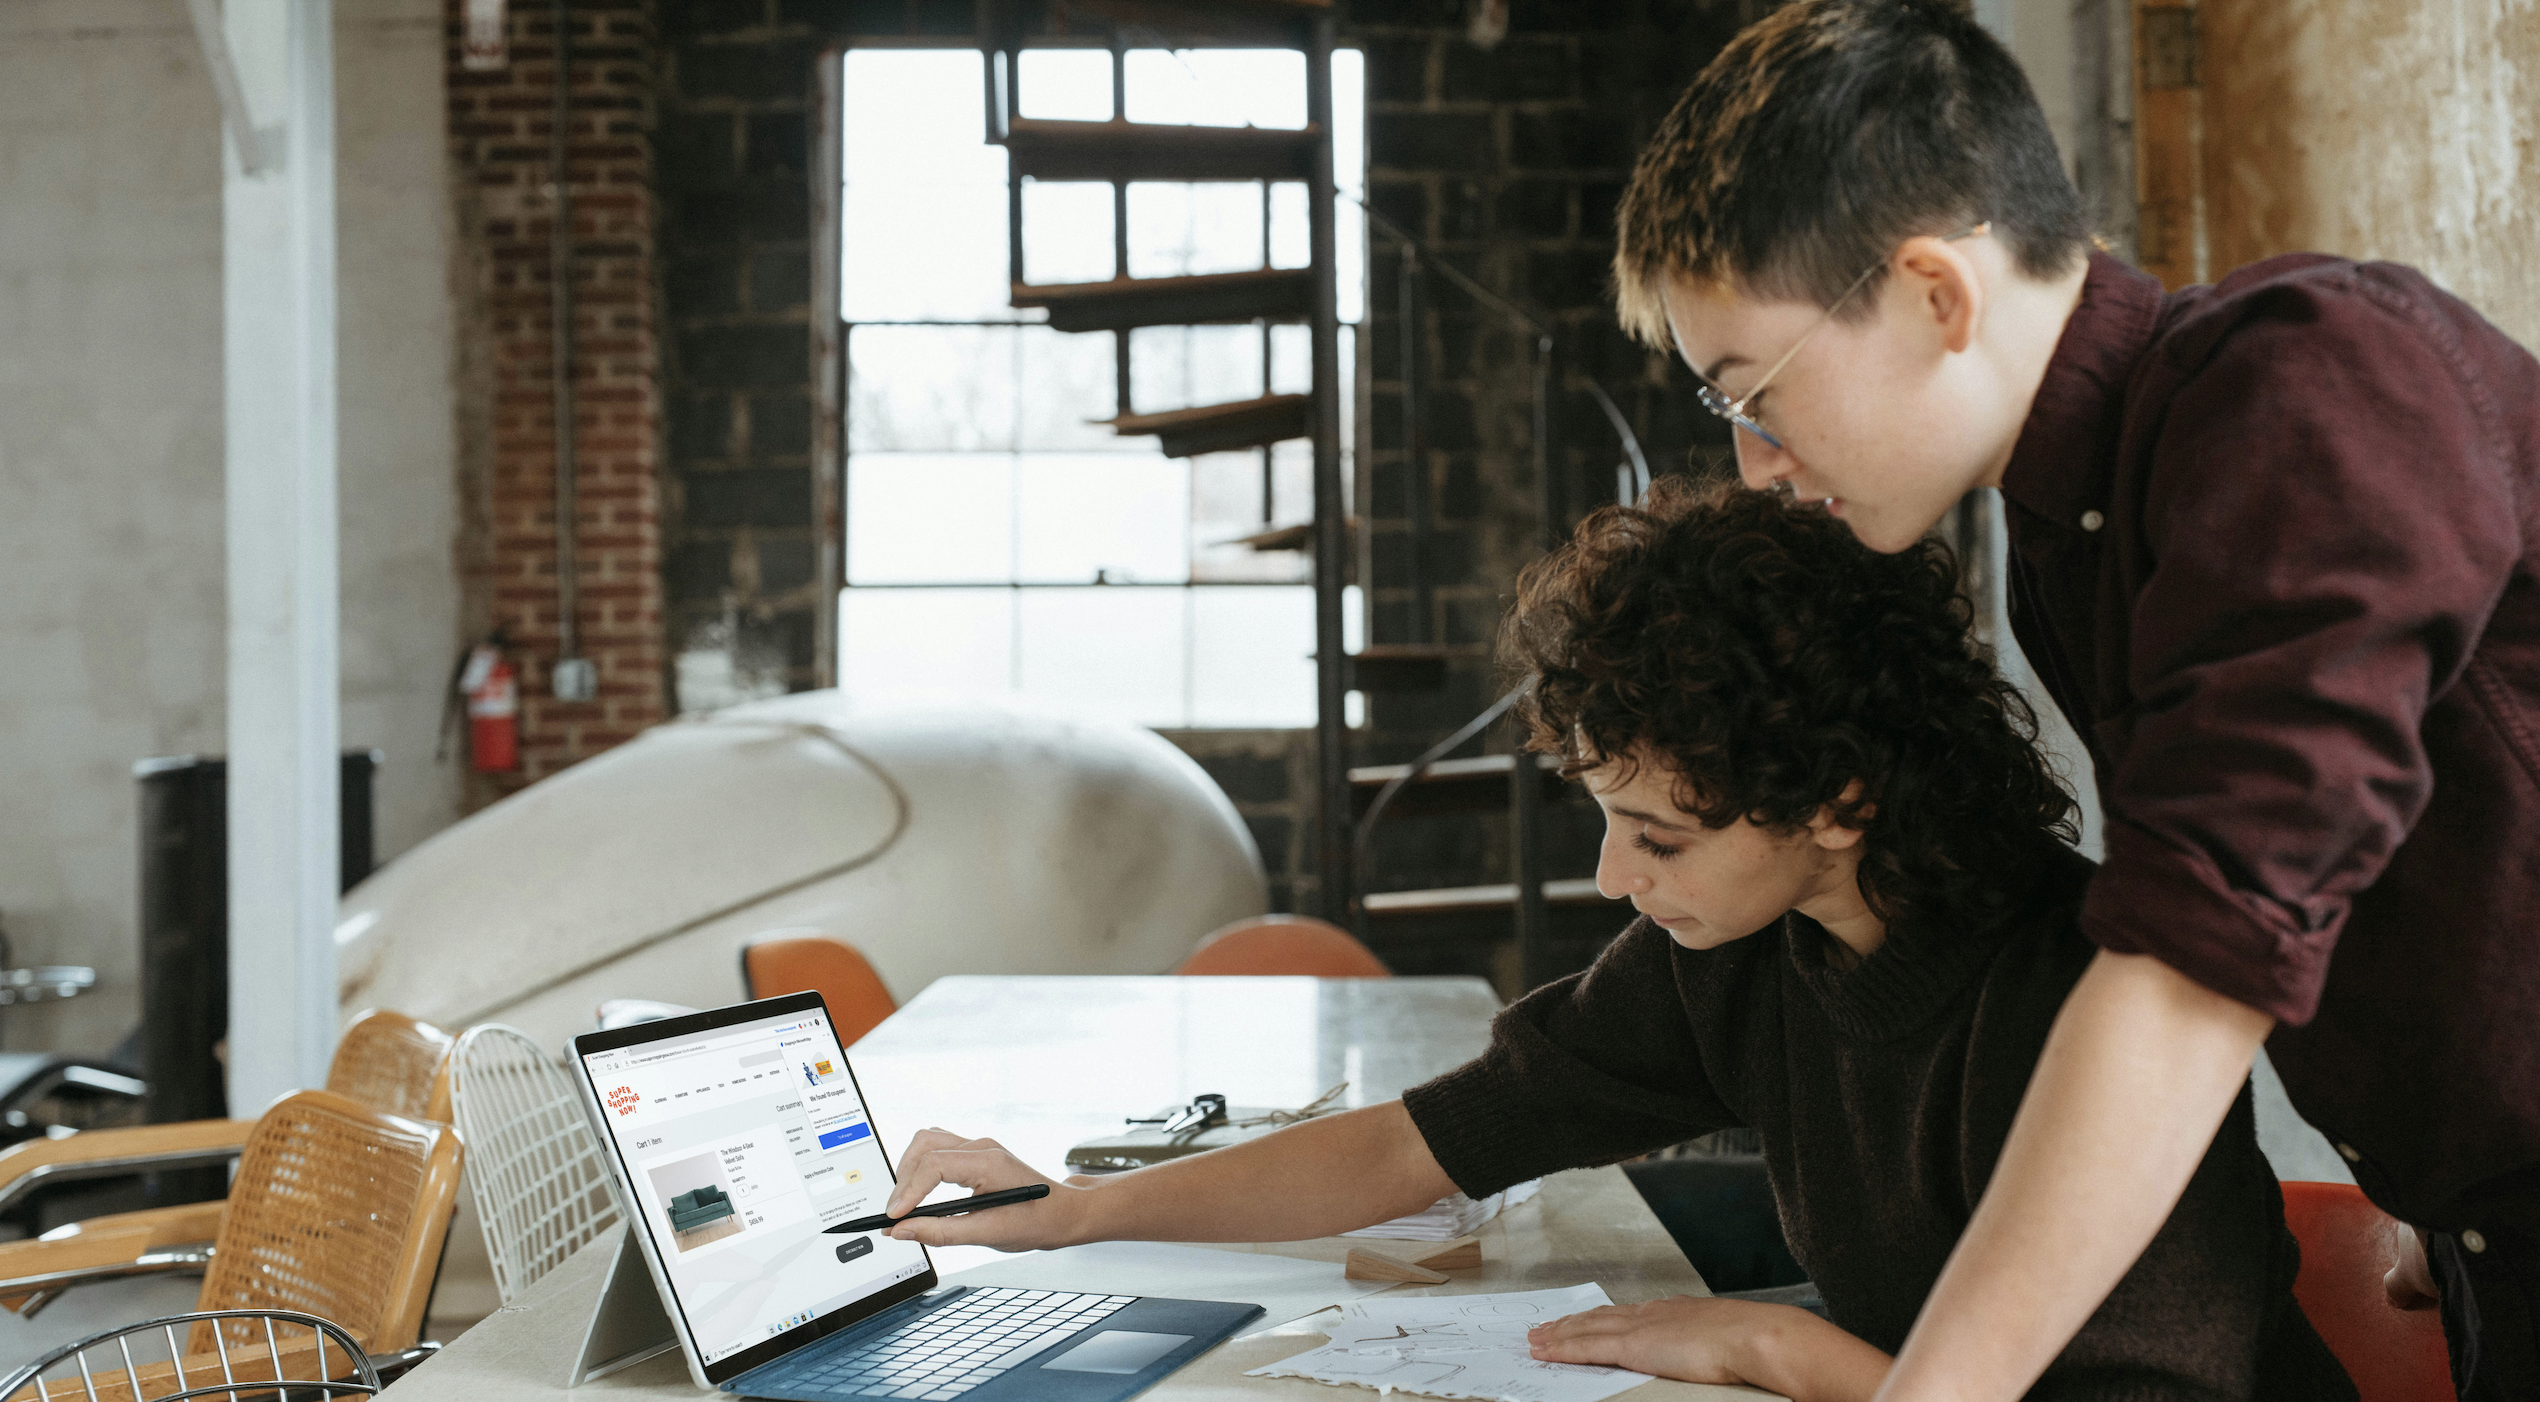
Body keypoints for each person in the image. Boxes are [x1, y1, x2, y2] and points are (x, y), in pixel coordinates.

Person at [880, 481, 2353, 1401]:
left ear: (1836, 799)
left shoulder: (2070, 996)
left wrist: (1778, 1346)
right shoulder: (1743, 948)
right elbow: (1421, 1144)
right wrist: (1070, 1210)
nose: (1609, 876)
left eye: (1658, 833)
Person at [1606, 2, 2540, 1398]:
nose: (1759, 467)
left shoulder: (2308, 389)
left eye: (1759, 396)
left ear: (1936, 292)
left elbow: (2195, 960)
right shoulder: (2070, 535)